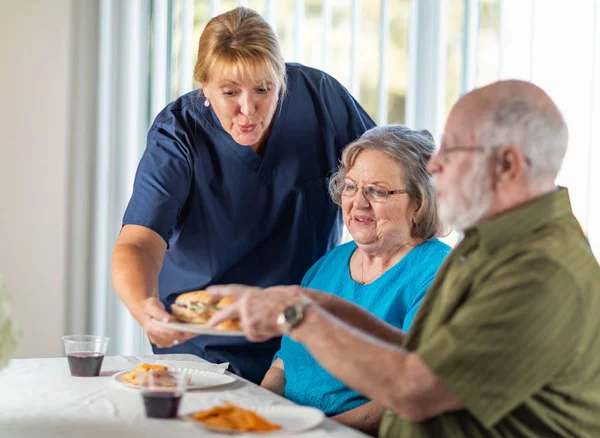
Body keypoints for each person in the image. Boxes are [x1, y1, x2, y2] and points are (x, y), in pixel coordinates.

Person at [207, 80, 600, 437]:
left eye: (454, 148)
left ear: (508, 164)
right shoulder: (495, 244)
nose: (435, 166)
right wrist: (310, 302)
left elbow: (416, 390)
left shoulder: (541, 271)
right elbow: (422, 353)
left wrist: (296, 316)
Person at [111, 7, 375, 385]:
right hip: (206, 342)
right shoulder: (178, 134)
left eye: (264, 90)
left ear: (281, 77)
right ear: (204, 85)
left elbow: (387, 172)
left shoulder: (321, 98)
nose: (248, 110)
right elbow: (138, 243)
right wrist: (144, 308)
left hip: (300, 331)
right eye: (230, 92)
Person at [260, 125, 450, 435]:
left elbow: (412, 394)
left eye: (377, 190)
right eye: (350, 186)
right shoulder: (328, 265)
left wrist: (315, 432)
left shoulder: (439, 273)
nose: (358, 202)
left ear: (419, 202)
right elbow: (284, 362)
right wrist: (255, 411)